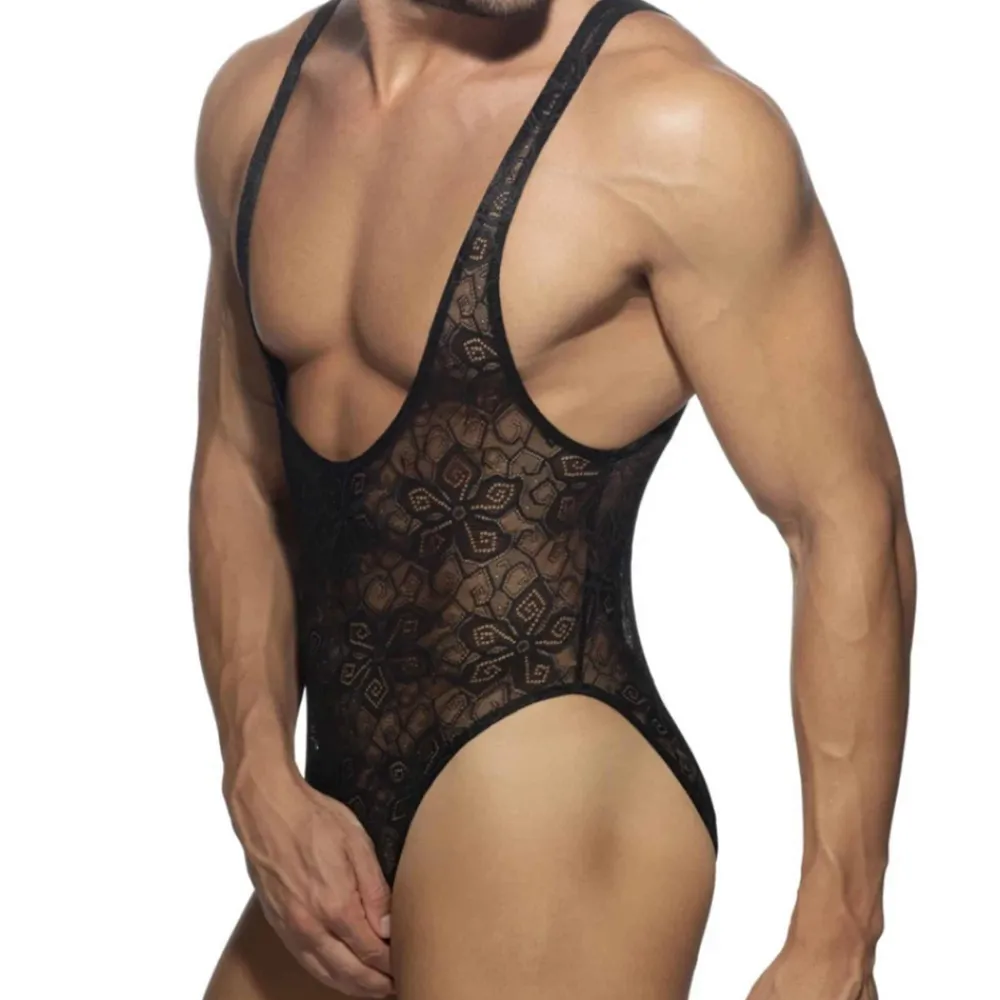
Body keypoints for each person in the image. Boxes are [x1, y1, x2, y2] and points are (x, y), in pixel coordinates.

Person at [189, 0, 914, 997]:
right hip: (333, 808)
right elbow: (237, 464)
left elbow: (843, 514)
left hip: (552, 793)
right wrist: (256, 773)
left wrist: (840, 925)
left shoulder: (672, 126)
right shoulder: (257, 105)